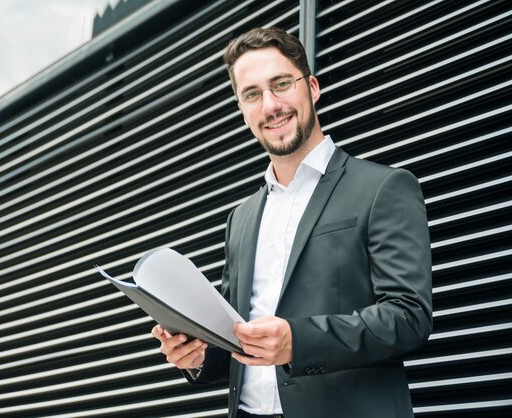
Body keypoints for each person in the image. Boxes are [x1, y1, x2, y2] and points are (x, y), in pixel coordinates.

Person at [152, 27, 433, 418]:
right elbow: (235, 340)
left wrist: (297, 342)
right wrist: (196, 354)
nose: (270, 105)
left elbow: (408, 317)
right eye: (252, 94)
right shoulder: (241, 218)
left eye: (281, 84)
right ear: (242, 109)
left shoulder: (383, 187)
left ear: (312, 88)